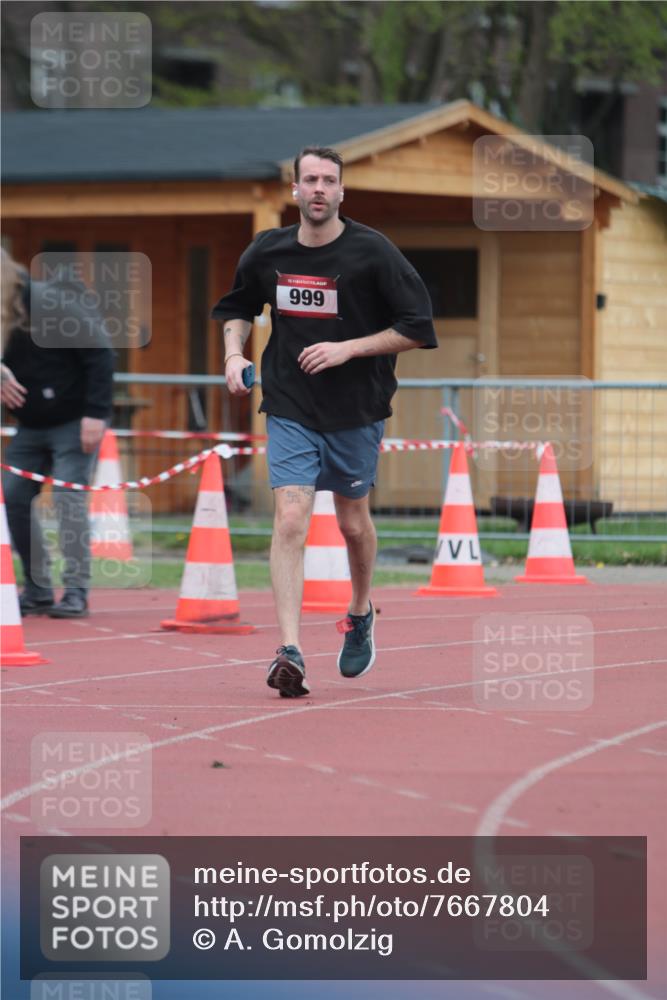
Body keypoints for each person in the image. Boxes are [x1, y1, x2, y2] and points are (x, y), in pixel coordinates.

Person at [212, 146, 437, 697]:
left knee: (353, 522)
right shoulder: (268, 251)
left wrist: (349, 349)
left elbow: (418, 326)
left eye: (328, 181)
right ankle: (289, 650)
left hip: (356, 408)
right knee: (291, 518)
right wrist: (234, 355)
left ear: (341, 192)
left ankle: (360, 612)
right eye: (309, 179)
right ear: (295, 190)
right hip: (290, 404)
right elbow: (237, 307)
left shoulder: (373, 252)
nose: (318, 188)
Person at [0, 248, 114, 618]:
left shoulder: (50, 302)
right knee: (13, 495)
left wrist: (96, 414)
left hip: (75, 419)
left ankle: (76, 591)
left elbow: (101, 352)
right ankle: (37, 589)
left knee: (68, 497)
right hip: (30, 425)